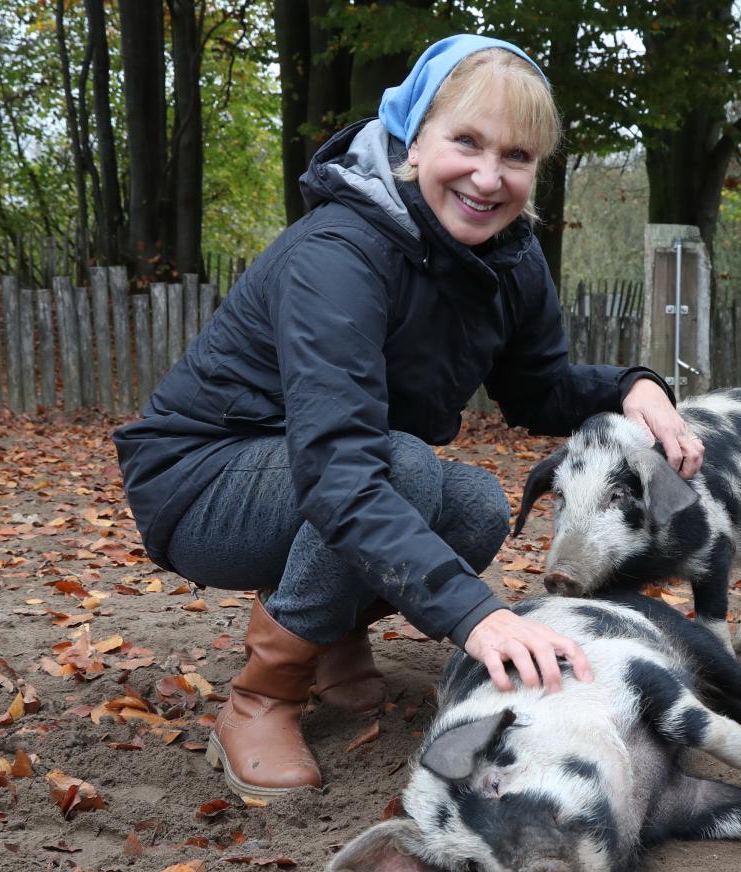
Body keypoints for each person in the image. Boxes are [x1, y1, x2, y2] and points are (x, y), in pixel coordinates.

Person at [113, 33, 704, 801]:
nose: (489, 177)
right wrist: (478, 617)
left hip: (328, 470)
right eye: (466, 141)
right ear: (414, 137)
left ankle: (332, 644)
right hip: (200, 483)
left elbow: (537, 389)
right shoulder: (340, 254)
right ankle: (264, 695)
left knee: (477, 507)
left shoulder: (508, 260)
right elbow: (339, 471)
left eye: (517, 157)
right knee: (403, 467)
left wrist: (634, 387)